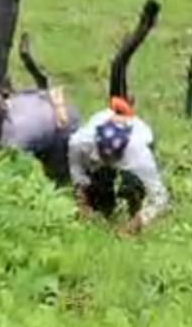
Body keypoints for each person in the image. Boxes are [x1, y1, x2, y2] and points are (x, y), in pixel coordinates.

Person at [68, 97, 170, 234]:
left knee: (132, 188)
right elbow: (77, 170)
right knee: (98, 190)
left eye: (111, 158)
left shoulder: (139, 156)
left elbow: (159, 198)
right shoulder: (80, 142)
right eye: (104, 156)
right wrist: (82, 203)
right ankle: (104, 207)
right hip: (96, 151)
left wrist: (137, 223)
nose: (108, 161)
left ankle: (133, 211)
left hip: (136, 151)